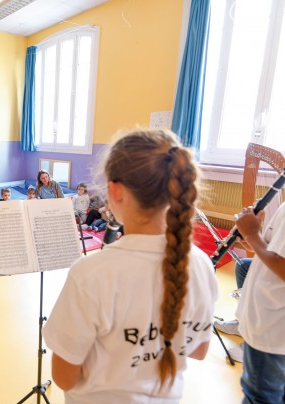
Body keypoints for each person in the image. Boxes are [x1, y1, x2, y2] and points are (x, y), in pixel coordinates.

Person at [42, 129, 218, 402]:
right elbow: (199, 349)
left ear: (115, 190)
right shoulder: (201, 264)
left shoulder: (91, 274)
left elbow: (65, 377)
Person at [234, 203, 285, 404]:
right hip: (273, 324)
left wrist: (253, 236)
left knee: (259, 397)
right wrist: (255, 240)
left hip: (273, 327)